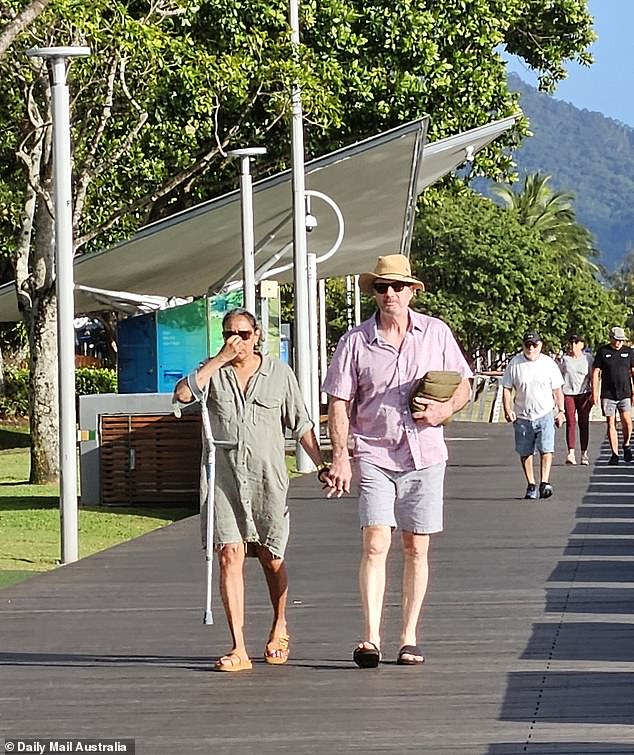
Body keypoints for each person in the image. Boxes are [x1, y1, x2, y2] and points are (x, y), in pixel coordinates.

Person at [322, 254, 472, 668]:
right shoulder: (355, 341)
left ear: (411, 291)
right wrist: (340, 456)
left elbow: (464, 384)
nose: (390, 294)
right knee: (375, 541)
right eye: (381, 287)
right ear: (373, 292)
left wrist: (444, 412)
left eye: (397, 287)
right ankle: (370, 637)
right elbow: (338, 401)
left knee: (416, 547)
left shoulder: (436, 333)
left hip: (424, 453)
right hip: (373, 450)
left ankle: (409, 637)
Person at [173, 308, 326, 672]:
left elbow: (301, 423)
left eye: (242, 333)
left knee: (271, 557)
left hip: (267, 480)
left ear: (257, 335)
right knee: (229, 554)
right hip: (223, 480)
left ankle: (280, 624)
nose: (235, 340)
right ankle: (238, 647)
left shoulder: (279, 375)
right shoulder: (212, 372)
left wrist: (322, 463)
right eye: (228, 333)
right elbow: (182, 394)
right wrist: (219, 359)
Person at [502, 331, 565, 499]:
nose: (531, 348)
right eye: (527, 345)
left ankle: (545, 481)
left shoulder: (548, 363)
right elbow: (507, 388)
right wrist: (508, 409)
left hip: (545, 413)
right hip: (523, 416)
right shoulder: (515, 364)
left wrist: (561, 411)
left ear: (540, 345)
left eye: (534, 345)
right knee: (525, 452)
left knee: (547, 449)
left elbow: (557, 390)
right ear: (523, 345)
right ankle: (531, 484)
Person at [592, 325, 634, 465]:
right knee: (611, 423)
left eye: (621, 340)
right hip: (608, 393)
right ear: (611, 338)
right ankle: (614, 453)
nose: (618, 343)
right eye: (616, 340)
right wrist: (594, 392)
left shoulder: (629, 352)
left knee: (627, 421)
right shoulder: (603, 352)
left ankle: (626, 444)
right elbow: (596, 372)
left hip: (625, 392)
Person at [559, 334, 594, 466]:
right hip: (568, 393)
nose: (573, 346)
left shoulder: (588, 359)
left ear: (582, 345)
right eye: (571, 343)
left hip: (584, 393)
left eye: (576, 342)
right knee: (571, 422)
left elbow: (593, 377)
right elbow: (559, 376)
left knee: (583, 423)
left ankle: (584, 453)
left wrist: (593, 395)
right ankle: (571, 452)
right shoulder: (565, 360)